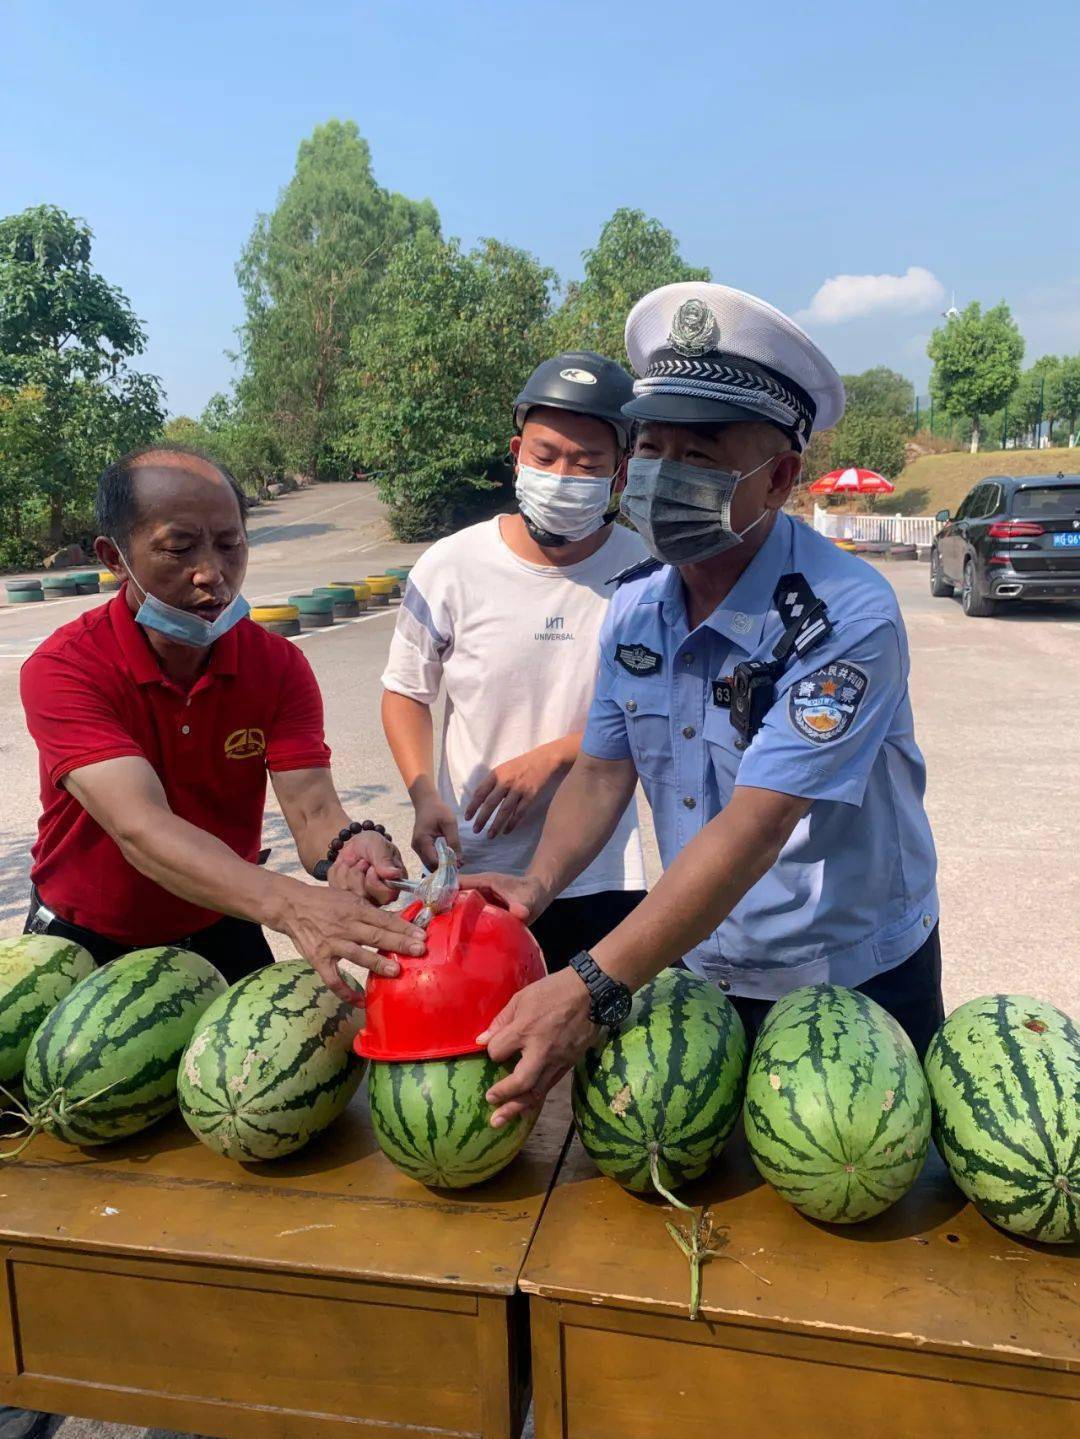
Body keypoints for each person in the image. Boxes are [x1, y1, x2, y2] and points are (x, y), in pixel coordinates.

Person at [463, 283, 943, 1128]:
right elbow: (601, 774)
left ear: (780, 478)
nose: (659, 474)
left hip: (849, 981)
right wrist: (535, 884)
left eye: (699, 452)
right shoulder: (636, 605)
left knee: (851, 1183)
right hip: (697, 961)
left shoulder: (843, 617)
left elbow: (757, 824)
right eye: (651, 445)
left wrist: (592, 984)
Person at [18, 444, 427, 995]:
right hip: (85, 940)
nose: (213, 574)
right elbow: (141, 827)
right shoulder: (67, 667)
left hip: (221, 922)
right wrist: (292, 905)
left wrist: (350, 849)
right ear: (115, 558)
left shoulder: (276, 666)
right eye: (179, 548)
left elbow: (313, 810)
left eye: (231, 545)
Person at [380, 352, 649, 971]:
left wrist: (553, 755)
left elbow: (657, 710)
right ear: (517, 453)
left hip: (599, 873)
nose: (563, 476)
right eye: (546, 456)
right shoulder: (451, 566)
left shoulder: (649, 574)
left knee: (593, 1029)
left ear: (621, 472)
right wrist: (424, 796)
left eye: (588, 463)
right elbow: (406, 692)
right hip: (476, 867)